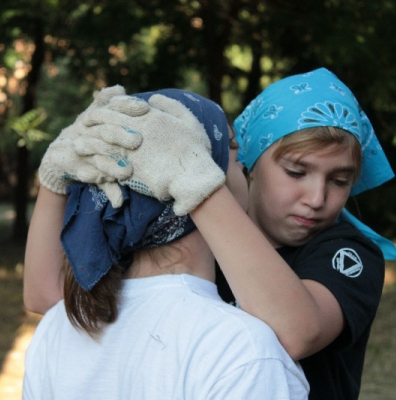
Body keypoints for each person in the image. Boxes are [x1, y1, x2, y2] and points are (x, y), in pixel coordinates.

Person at [58, 67, 396, 399]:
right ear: (248, 163)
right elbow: (52, 296)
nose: (316, 198)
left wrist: (194, 180)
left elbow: (296, 332)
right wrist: (54, 177)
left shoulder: (349, 252)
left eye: (340, 181)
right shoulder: (199, 241)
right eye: (296, 172)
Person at [22, 88, 309, 399]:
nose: (243, 166)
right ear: (199, 169)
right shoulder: (242, 349)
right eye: (231, 149)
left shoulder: (57, 328)